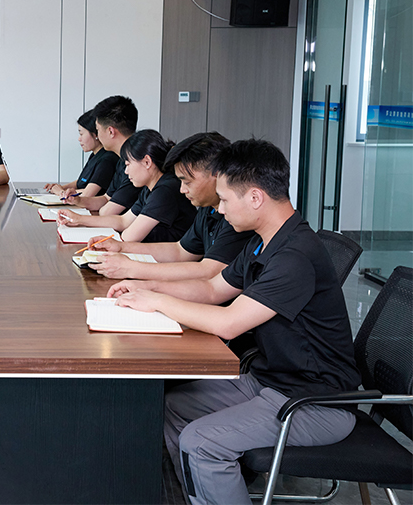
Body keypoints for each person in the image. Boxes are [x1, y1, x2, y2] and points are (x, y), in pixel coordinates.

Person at [106, 139, 361, 505]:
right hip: (270, 381)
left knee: (201, 442)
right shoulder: (262, 242)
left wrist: (157, 301)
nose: (221, 209)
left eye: (225, 200)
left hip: (314, 402)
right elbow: (213, 288)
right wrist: (144, 287)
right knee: (173, 407)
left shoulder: (294, 255)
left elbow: (229, 323)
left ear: (255, 198)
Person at [87, 132, 254, 280]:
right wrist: (121, 247)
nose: (182, 190)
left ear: (217, 175)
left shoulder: (237, 216)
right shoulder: (207, 207)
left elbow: (209, 272)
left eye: (187, 182)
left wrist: (132, 268)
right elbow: (180, 251)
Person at [58, 129, 196, 243]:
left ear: (147, 162)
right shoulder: (150, 188)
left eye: (128, 164)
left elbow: (129, 237)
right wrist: (79, 219)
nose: (126, 171)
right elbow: (123, 220)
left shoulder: (165, 190)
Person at [61, 95, 141, 214]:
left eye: (98, 130)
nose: (97, 136)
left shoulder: (137, 164)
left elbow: (107, 211)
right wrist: (78, 200)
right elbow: (105, 199)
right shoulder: (122, 160)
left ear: (110, 131)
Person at [44, 108, 118, 198]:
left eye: (81, 134)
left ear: (95, 134)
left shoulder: (107, 159)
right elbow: (81, 182)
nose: (79, 139)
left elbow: (88, 193)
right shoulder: (95, 155)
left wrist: (61, 192)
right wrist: (60, 187)